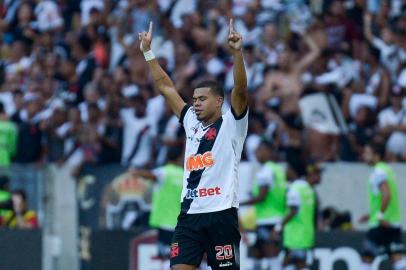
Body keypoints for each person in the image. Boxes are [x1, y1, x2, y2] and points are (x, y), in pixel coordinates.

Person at [139, 18, 248, 270]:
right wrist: (148, 52)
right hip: (189, 215)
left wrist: (237, 54)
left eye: (202, 99)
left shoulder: (233, 125)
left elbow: (240, 90)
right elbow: (166, 87)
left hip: (222, 215)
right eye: (194, 99)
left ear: (219, 101)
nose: (195, 103)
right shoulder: (190, 121)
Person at [130, 147, 184, 267]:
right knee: (180, 256)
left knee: (166, 256)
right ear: (180, 158)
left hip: (165, 221)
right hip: (181, 222)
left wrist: (135, 172)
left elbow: (151, 176)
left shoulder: (164, 172)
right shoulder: (183, 174)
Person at [240, 140, 287, 270]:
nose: (256, 153)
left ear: (268, 151)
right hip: (275, 218)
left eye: (259, 150)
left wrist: (239, 203)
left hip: (267, 220)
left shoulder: (265, 172)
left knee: (272, 258)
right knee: (257, 256)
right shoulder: (278, 170)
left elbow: (261, 197)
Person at [359, 143, 406, 270]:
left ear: (376, 156)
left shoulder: (378, 172)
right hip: (393, 223)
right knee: (397, 258)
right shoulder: (388, 169)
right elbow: (384, 197)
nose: (364, 155)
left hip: (381, 223)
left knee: (366, 258)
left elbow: (387, 195)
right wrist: (370, 214)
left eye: (367, 152)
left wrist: (379, 215)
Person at [276, 163, 322, 270]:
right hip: (306, 235)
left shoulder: (294, 188)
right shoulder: (310, 189)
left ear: (292, 170)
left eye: (287, 169)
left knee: (291, 263)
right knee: (299, 264)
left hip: (294, 236)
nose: (285, 172)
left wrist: (278, 227)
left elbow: (293, 211)